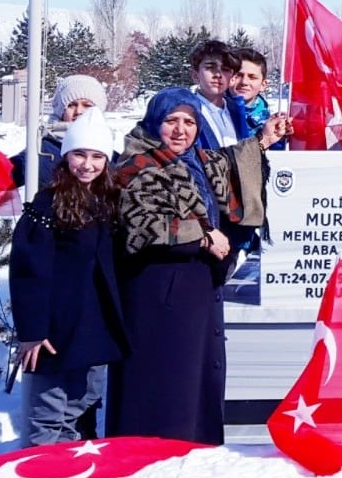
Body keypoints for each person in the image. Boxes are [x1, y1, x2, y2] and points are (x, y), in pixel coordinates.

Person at [109, 89, 291, 443]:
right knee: (163, 380)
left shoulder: (197, 160)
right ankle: (151, 453)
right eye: (171, 121)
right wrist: (205, 234)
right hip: (157, 291)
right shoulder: (137, 165)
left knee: (194, 378)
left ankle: (194, 451)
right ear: (153, 123)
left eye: (189, 122)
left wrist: (263, 140)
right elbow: (142, 227)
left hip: (195, 288)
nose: (181, 130)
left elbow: (227, 162)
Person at [8, 109, 128, 445]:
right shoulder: (47, 206)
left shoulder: (108, 201)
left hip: (95, 327)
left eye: (96, 156)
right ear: (65, 156)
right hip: (55, 330)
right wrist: (32, 331)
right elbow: (27, 271)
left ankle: (67, 470)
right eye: (79, 154)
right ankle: (35, 476)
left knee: (81, 405)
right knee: (47, 413)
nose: (87, 165)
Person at [11, 74, 108, 193]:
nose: (79, 111)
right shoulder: (41, 151)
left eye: (87, 105)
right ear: (60, 110)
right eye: (71, 105)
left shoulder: (111, 156)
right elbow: (1, 177)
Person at [188, 40, 254, 149]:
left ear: (233, 77)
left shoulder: (237, 111)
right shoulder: (187, 111)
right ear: (195, 75)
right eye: (210, 67)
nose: (218, 74)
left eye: (225, 69)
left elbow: (245, 154)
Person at [233, 48, 273, 133]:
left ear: (263, 85)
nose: (244, 82)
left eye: (252, 77)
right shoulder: (214, 114)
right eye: (238, 75)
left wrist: (280, 139)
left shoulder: (268, 123)